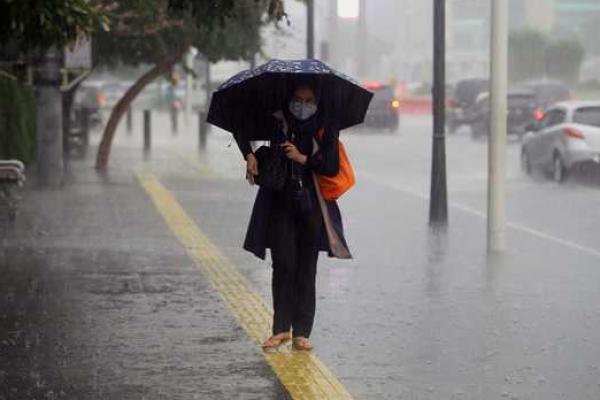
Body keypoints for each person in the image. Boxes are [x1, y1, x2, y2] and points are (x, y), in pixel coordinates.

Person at [235, 81, 351, 351]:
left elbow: (331, 167)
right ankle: (280, 330)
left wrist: (302, 158)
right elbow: (240, 125)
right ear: (289, 99)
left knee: (306, 267)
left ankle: (302, 333)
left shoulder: (326, 126)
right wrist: (248, 155)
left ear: (317, 101)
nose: (302, 104)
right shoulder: (277, 121)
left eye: (309, 99)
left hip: (312, 206)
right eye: (298, 99)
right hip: (279, 202)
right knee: (284, 264)